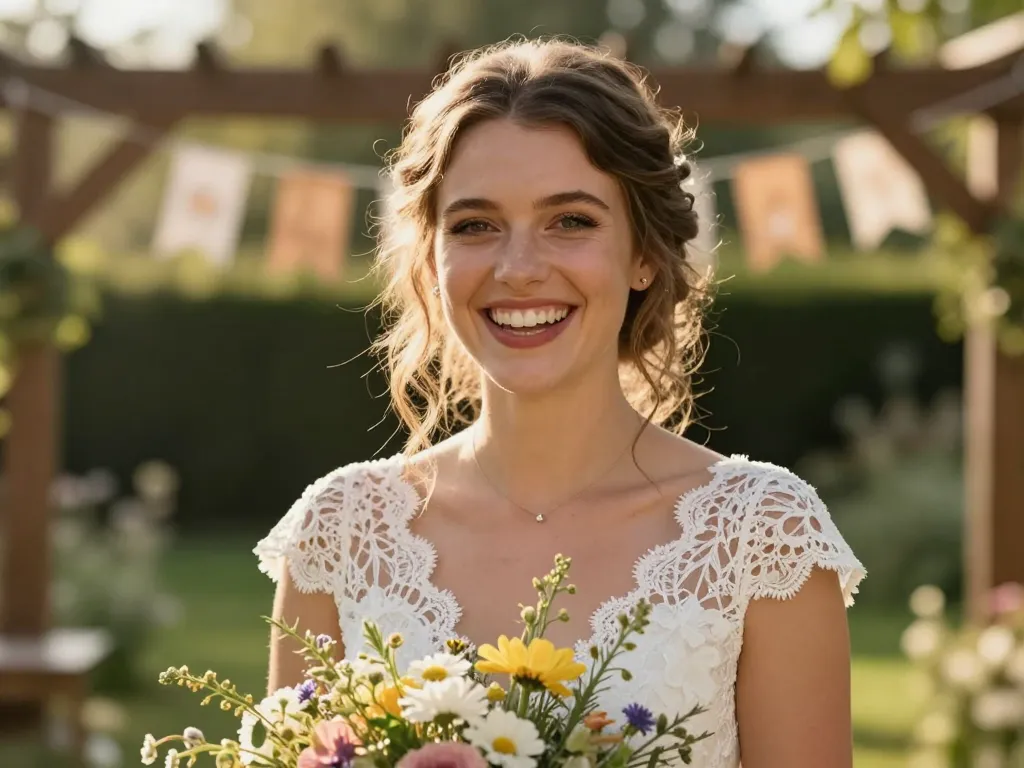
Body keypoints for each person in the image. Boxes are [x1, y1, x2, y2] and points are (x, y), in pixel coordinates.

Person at [255, 37, 865, 768]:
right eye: (475, 226)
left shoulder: (764, 537)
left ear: (643, 253)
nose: (517, 269)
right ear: (430, 257)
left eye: (570, 221)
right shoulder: (341, 532)